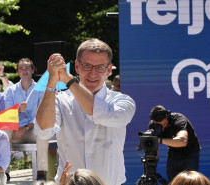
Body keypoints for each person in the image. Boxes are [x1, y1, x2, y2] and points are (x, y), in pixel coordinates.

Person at [36, 38, 136, 185]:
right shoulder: (60, 99)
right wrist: (51, 82)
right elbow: (43, 130)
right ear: (77, 66)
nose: (93, 73)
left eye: (100, 67)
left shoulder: (123, 102)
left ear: (109, 70)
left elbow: (99, 112)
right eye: (87, 66)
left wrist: (68, 79)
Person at [4, 58, 48, 180]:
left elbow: (41, 114)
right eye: (21, 68)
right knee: (3, 132)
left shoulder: (40, 89)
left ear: (32, 70)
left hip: (32, 129)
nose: (24, 71)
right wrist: (18, 110)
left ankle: (41, 172)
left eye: (27, 68)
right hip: (15, 131)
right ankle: (5, 172)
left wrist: (26, 127)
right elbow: (8, 113)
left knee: (42, 131)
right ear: (18, 72)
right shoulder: (10, 91)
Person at [149, 105, 201, 181]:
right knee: (173, 181)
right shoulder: (152, 125)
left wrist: (160, 140)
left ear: (167, 117)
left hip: (190, 153)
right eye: (159, 126)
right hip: (173, 154)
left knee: (189, 181)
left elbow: (183, 141)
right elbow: (154, 145)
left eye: (164, 124)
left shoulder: (179, 119)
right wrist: (153, 161)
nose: (162, 128)